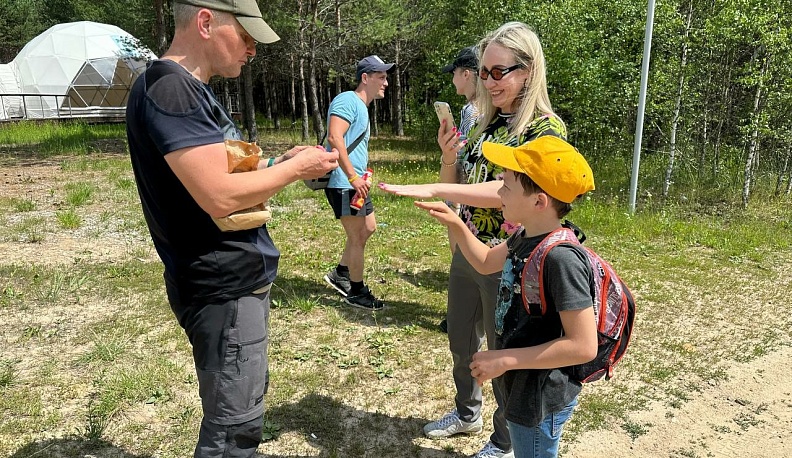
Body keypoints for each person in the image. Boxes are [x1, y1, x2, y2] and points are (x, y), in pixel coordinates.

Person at [125, 1, 339, 457]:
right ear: (206, 22)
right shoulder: (173, 90)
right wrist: (296, 168)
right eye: (245, 36)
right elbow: (218, 195)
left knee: (237, 417)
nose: (251, 50)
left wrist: (280, 165)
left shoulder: (184, 88)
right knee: (233, 433)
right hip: (221, 286)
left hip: (228, 281)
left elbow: (215, 171)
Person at [381, 22, 567, 458]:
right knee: (461, 339)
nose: (488, 81)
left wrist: (436, 189)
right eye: (483, 72)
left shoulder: (544, 130)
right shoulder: (485, 123)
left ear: (528, 70)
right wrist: (447, 162)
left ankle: (504, 440)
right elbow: (461, 180)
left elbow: (507, 195)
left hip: (512, 259)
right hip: (468, 247)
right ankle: (467, 413)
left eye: (498, 72)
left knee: (503, 353)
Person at [413, 135, 598, 458]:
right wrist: (456, 223)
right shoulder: (525, 235)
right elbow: (485, 261)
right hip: (521, 384)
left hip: (540, 395)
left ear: (539, 201)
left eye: (506, 187)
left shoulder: (561, 258)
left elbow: (583, 346)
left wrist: (504, 359)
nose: (498, 194)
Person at [322, 55, 394, 311]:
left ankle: (341, 272)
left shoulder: (361, 106)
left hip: (355, 183)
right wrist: (353, 175)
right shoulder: (347, 100)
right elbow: (334, 136)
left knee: (368, 228)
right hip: (344, 183)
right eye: (381, 77)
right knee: (356, 236)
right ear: (365, 78)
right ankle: (356, 290)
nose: (386, 82)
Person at [437, 44, 480, 333]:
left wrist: (449, 151)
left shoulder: (470, 110)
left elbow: (464, 154)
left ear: (466, 74)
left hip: (465, 192)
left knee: (462, 256)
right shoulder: (491, 109)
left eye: (454, 73)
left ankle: (461, 316)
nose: (452, 80)